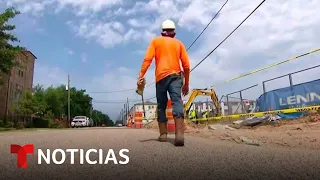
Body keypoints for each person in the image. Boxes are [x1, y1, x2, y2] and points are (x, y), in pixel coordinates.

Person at [137, 19, 190, 146]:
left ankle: (163, 134)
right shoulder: (179, 44)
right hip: (176, 77)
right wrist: (186, 83)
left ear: (162, 32)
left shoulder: (155, 41)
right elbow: (187, 66)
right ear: (173, 33)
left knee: (161, 105)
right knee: (177, 101)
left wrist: (141, 75)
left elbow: (147, 59)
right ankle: (179, 135)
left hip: (160, 78)